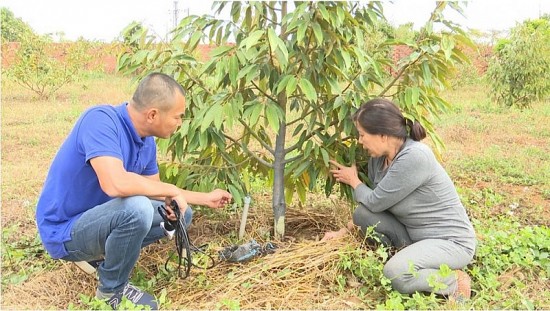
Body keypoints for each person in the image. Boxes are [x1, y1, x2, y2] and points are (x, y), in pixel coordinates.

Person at [35, 72, 232, 310]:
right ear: (152, 114)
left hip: (100, 219)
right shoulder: (100, 121)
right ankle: (111, 292)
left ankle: (103, 257)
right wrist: (170, 189)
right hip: (65, 231)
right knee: (136, 209)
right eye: (178, 117)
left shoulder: (145, 141)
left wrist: (203, 199)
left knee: (181, 213)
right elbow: (115, 184)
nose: (180, 124)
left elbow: (155, 192)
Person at [322, 98, 476, 301]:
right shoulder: (378, 159)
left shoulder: (415, 157)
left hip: (450, 242)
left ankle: (454, 280)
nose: (360, 141)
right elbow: (376, 207)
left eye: (362, 135)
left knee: (395, 273)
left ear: (383, 135)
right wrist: (344, 231)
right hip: (416, 235)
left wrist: (354, 181)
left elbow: (376, 201)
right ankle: (408, 257)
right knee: (362, 214)